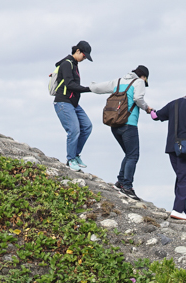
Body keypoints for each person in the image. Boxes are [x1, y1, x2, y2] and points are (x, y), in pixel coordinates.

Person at [89, 65, 153, 201]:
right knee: (133, 155)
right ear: (144, 77)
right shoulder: (139, 82)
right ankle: (127, 187)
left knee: (129, 154)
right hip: (128, 124)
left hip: (114, 124)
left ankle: (120, 182)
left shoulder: (118, 81)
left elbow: (97, 88)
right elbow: (138, 98)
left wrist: (88, 85)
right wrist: (147, 108)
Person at [150, 86, 186, 223]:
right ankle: (177, 210)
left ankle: (182, 210)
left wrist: (150, 110)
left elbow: (156, 116)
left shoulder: (173, 103)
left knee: (181, 177)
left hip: (172, 147)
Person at [53, 41, 94, 172]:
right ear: (77, 51)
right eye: (84, 55)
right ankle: (70, 159)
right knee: (74, 129)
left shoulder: (74, 64)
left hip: (73, 103)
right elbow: (69, 84)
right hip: (63, 102)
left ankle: (75, 155)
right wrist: (88, 89)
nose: (84, 58)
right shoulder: (67, 64)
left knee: (87, 126)